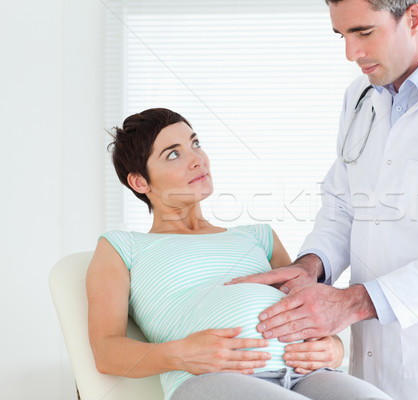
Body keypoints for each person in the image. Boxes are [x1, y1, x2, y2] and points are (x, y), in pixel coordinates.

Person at [229, 0, 418, 399]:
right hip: (366, 371)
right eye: (342, 35)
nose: (351, 53)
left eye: (364, 33)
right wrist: (310, 267)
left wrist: (352, 304)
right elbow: (342, 206)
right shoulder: (360, 98)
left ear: (414, 17)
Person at [86, 108, 392, 400]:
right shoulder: (121, 247)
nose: (197, 160)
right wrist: (181, 353)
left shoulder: (258, 236)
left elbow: (308, 309)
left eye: (196, 144)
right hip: (209, 380)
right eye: (174, 154)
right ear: (140, 181)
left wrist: (334, 348)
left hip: (306, 374)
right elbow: (106, 351)